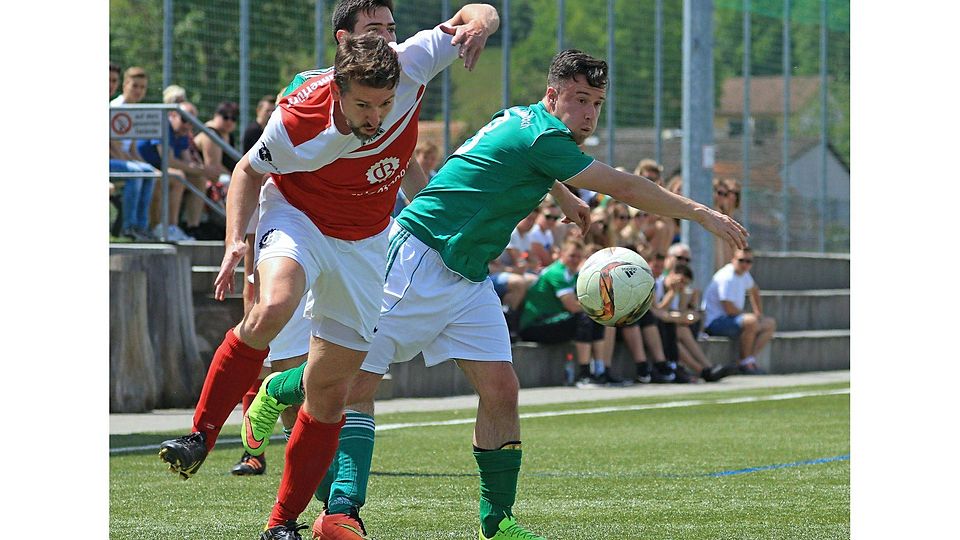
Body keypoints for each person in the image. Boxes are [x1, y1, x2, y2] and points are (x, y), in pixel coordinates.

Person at [242, 49, 747, 540]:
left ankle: (496, 521)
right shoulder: (542, 138)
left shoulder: (527, 121)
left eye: (596, 101)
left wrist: (564, 194)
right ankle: (285, 400)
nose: (588, 111)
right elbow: (625, 186)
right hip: (421, 256)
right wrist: (702, 214)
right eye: (578, 99)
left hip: (468, 275)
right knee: (354, 386)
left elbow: (520, 156)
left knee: (501, 389)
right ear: (553, 95)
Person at [157, 2, 500, 536]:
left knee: (331, 392)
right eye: (363, 105)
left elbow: (478, 10)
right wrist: (234, 243)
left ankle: (283, 523)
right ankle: (199, 434)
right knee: (275, 304)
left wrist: (482, 22)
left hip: (364, 242)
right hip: (297, 218)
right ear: (338, 87)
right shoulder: (297, 118)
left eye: (385, 105)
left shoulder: (412, 62)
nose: (375, 118)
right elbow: (246, 171)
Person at [516, 239, 619, 386]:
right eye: (571, 255)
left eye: (578, 256)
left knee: (597, 318)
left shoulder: (574, 275)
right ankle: (584, 375)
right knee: (586, 317)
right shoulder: (556, 272)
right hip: (535, 325)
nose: (575, 259)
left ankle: (600, 372)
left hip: (553, 320)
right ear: (561, 254)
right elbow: (572, 306)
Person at [136, 101, 220, 242]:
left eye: (191, 122)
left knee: (198, 179)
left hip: (161, 169)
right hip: (144, 167)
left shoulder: (182, 132)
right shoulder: (162, 123)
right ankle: (167, 226)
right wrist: (204, 170)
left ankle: (192, 227)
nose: (188, 125)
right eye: (185, 120)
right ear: (173, 115)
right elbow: (168, 161)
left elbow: (187, 161)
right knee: (177, 176)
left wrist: (204, 172)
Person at [702, 247, 776, 374]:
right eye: (741, 260)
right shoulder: (727, 277)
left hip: (730, 319)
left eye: (748, 261)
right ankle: (745, 363)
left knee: (769, 323)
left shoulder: (744, 274)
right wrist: (752, 316)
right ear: (733, 259)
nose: (745, 264)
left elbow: (754, 290)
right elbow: (728, 308)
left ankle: (748, 359)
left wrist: (758, 313)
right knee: (751, 321)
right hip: (714, 322)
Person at [109, 62, 158, 241]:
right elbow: (113, 148)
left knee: (150, 172)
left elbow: (131, 149)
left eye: (142, 87)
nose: (138, 90)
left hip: (122, 160)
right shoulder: (115, 107)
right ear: (125, 85)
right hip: (111, 160)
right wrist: (134, 165)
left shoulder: (136, 110)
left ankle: (141, 226)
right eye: (134, 86)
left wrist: (147, 166)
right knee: (136, 172)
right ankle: (128, 226)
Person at [189, 101, 240, 239]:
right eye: (225, 117)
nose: (229, 121)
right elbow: (214, 168)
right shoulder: (210, 133)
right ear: (216, 115)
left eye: (233, 118)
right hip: (205, 177)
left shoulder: (228, 135)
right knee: (232, 184)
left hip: (218, 177)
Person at [713, 177, 742, 270]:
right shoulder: (717, 217)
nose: (732, 196)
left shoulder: (732, 219)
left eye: (736, 193)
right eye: (729, 193)